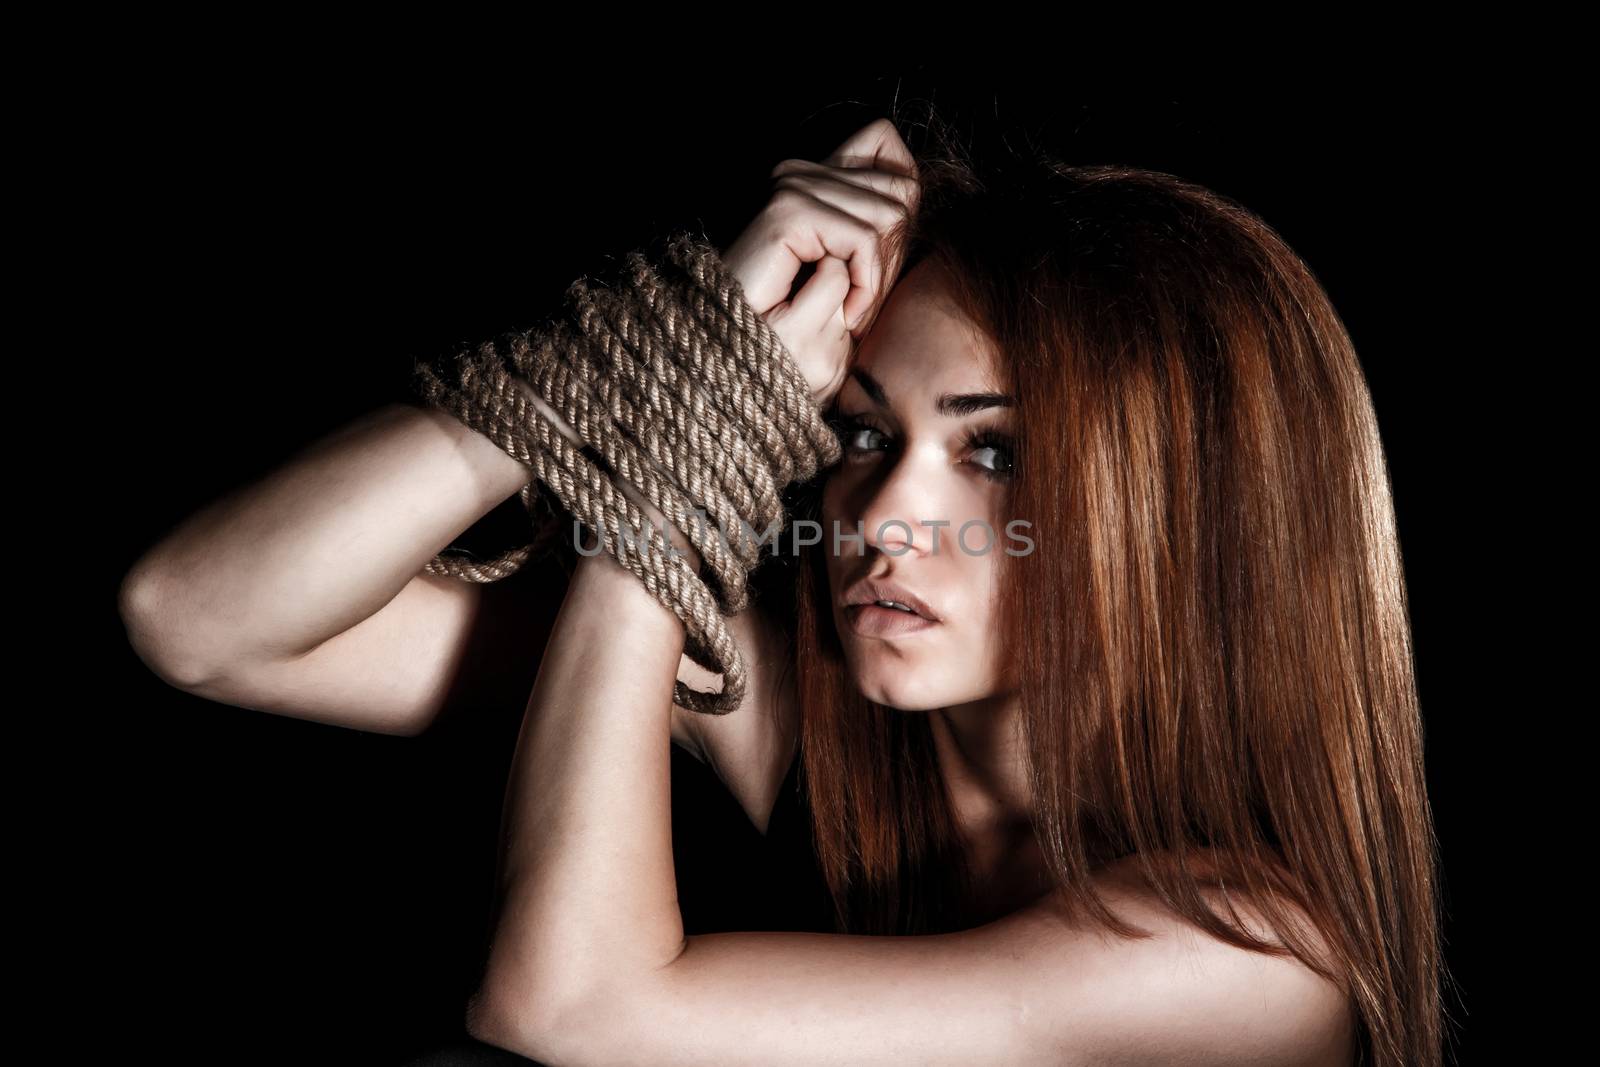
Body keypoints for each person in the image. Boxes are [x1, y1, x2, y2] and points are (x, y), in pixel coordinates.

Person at [118, 106, 1442, 1066]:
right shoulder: (807, 722)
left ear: (1190, 515)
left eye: (999, 452)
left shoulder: (1250, 959)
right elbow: (203, 619)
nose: (881, 517)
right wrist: (666, 356)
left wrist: (675, 489)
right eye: (861, 433)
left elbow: (565, 1010)